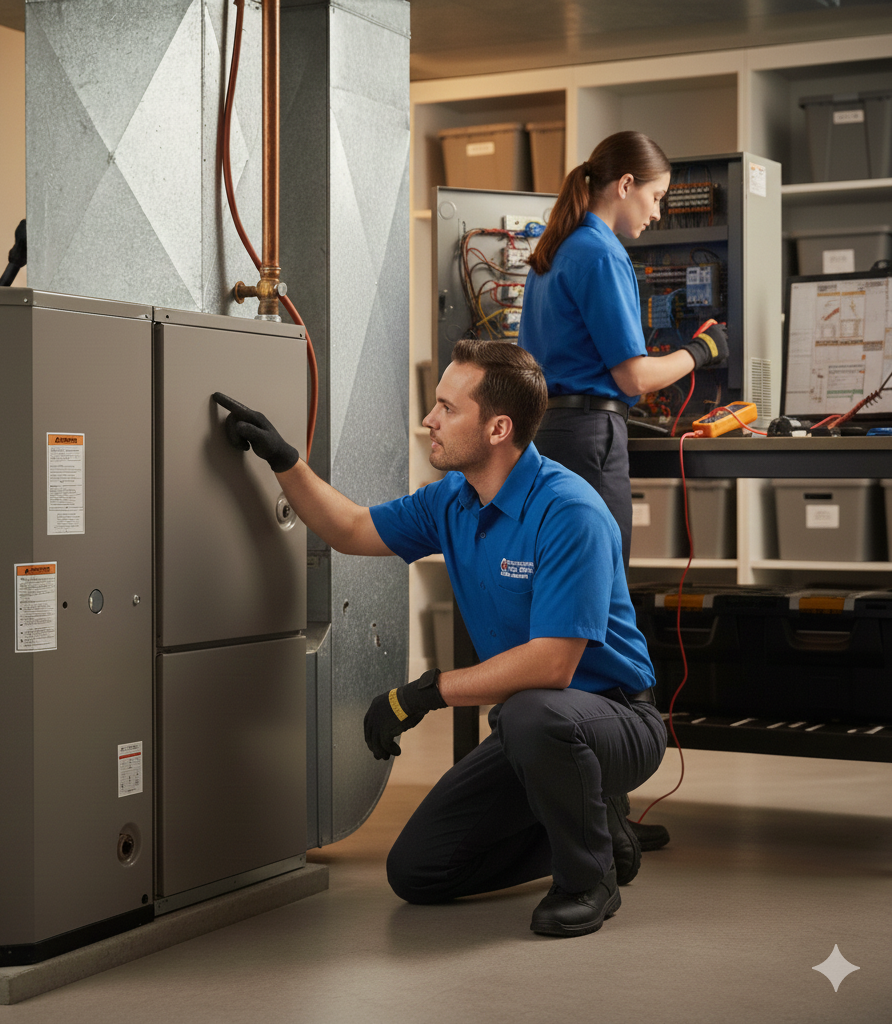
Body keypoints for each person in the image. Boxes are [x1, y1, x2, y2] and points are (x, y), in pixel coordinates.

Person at [213, 339, 667, 938]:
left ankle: (587, 881)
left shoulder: (568, 512)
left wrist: (423, 694)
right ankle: (598, 832)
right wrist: (283, 459)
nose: (429, 419)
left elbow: (555, 663)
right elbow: (350, 528)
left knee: (531, 714)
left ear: (498, 427)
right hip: (537, 730)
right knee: (419, 871)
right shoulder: (453, 499)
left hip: (614, 720)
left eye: (447, 408)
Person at [518, 130, 727, 852]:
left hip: (552, 440)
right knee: (600, 616)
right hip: (591, 441)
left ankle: (592, 806)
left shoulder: (551, 252)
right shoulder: (600, 251)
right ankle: (602, 816)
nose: (660, 216)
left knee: (568, 614)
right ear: (624, 187)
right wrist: (700, 350)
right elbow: (635, 378)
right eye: (658, 198)